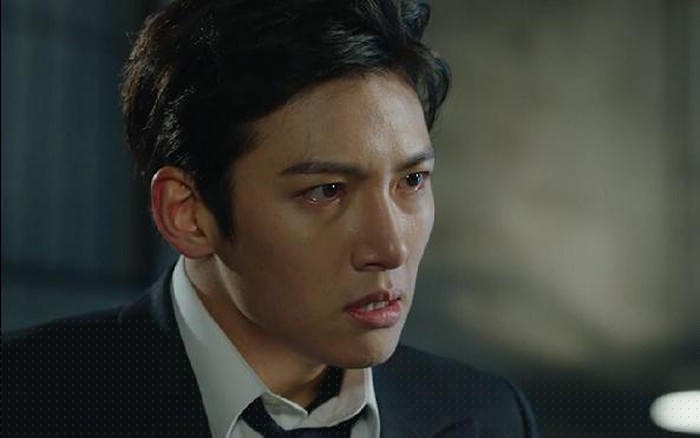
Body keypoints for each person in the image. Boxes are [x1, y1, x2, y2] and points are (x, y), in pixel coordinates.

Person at [3, 1, 540, 437]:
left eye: (413, 180)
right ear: (187, 214)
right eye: (327, 191)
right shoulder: (23, 401)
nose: (390, 247)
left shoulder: (488, 415)